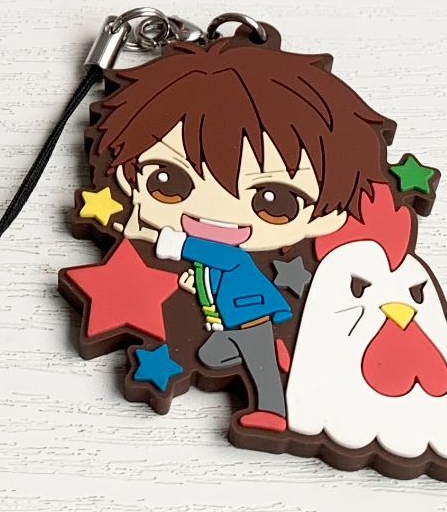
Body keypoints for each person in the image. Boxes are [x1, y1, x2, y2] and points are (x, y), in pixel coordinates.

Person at [88, 29, 393, 434]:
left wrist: (167, 240)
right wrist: (194, 281)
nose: (215, 212)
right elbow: (210, 267)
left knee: (259, 368)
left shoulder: (222, 252)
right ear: (130, 178)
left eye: (274, 201)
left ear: (325, 217)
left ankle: (273, 411)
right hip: (230, 320)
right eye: (169, 179)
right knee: (214, 355)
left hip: (252, 317)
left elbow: (221, 256)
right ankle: (279, 359)